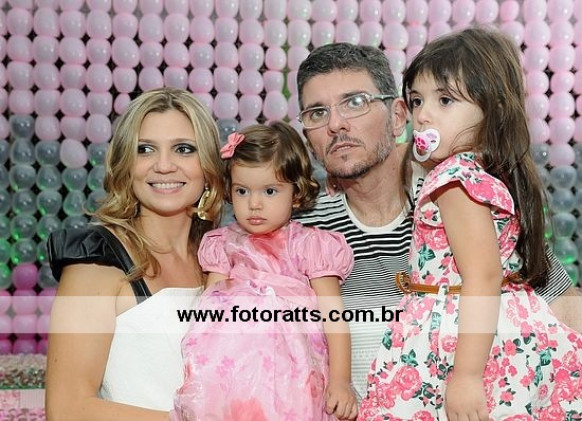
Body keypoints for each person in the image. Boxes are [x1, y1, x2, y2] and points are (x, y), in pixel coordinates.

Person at [294, 41, 581, 400]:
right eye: (317, 112)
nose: (335, 124)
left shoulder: (461, 192)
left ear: (399, 116)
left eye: (355, 103)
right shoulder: (300, 230)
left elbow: (562, 307)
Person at [45, 87, 224, 420]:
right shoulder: (96, 261)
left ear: (209, 165)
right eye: (145, 149)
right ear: (126, 164)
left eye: (184, 149)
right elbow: (67, 408)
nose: (164, 165)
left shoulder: (221, 258)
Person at [172, 122, 358, 421]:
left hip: (294, 375)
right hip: (233, 377)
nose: (254, 204)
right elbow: (207, 317)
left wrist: (340, 381)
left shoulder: (309, 246)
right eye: (242, 191)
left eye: (270, 191)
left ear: (295, 193)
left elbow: (334, 318)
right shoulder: (223, 245)